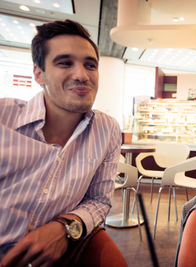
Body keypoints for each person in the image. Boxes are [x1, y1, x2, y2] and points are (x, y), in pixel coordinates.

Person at [0, 20, 126, 266]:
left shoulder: (108, 129)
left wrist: (65, 228)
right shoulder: (4, 117)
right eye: (65, 63)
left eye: (90, 65)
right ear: (39, 74)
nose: (81, 75)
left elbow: (100, 200)